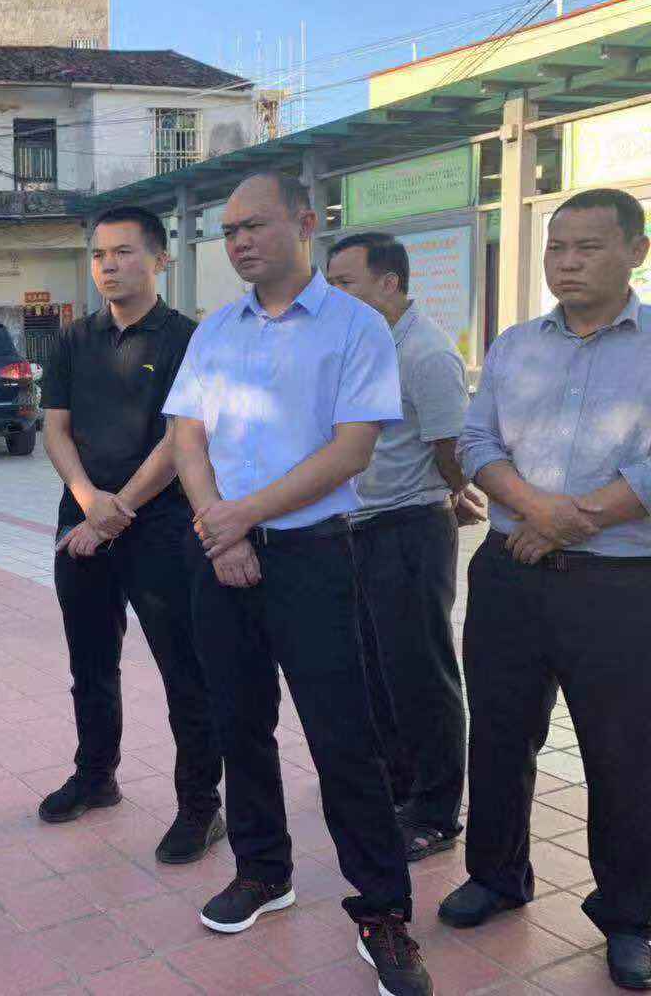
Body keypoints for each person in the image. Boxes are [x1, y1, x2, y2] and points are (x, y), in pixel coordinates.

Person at [167, 172, 432, 996]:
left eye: (255, 224)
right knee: (239, 722)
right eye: (229, 230)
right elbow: (187, 436)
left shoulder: (356, 326)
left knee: (342, 735)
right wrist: (218, 527)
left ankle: (382, 910)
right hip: (219, 554)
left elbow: (351, 450)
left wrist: (241, 517)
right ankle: (263, 870)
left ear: (306, 223)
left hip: (313, 554)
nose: (240, 241)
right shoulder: (216, 330)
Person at [441, 187, 651, 990]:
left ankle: (630, 915)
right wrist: (536, 510)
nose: (567, 262)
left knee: (624, 752)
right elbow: (476, 440)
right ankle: (496, 876)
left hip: (620, 585)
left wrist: (571, 521)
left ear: (636, 251)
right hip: (510, 573)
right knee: (499, 734)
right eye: (556, 247)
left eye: (588, 247)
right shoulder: (515, 346)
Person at [37, 204, 225, 865]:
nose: (108, 266)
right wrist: (90, 504)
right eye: (99, 255)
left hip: (162, 525)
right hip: (82, 520)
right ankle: (96, 777)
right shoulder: (73, 338)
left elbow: (182, 438)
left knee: (184, 670)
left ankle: (200, 806)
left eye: (123, 252)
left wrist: (118, 512)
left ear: (159, 259)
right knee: (89, 662)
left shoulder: (188, 339)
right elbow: (55, 428)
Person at [326, 233, 483, 862]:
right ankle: (399, 787)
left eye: (345, 283)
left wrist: (453, 494)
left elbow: (452, 448)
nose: (333, 296)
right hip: (357, 528)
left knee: (420, 673)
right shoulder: (358, 346)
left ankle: (436, 811)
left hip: (408, 530)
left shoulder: (425, 353)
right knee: (375, 669)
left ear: (389, 283)